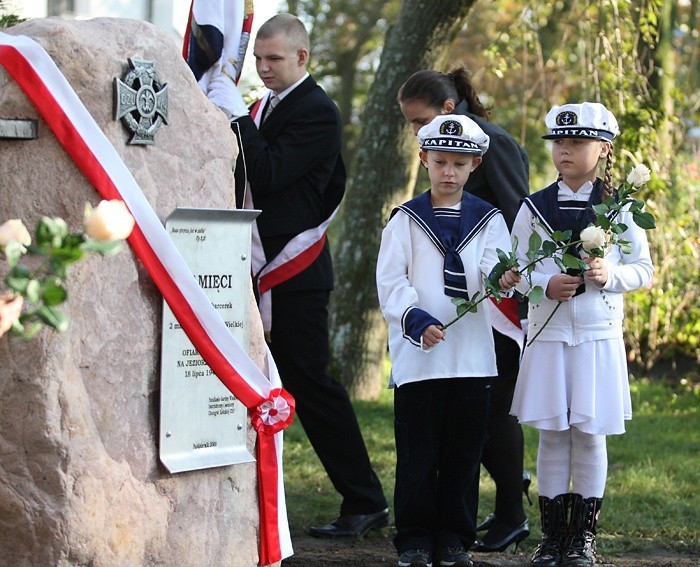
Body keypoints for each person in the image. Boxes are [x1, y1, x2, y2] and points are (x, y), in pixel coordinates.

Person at [206, 13, 389, 537]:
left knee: (310, 386)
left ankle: (364, 499)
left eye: (274, 59)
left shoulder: (317, 112)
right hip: (254, 264)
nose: (261, 68)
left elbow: (267, 175)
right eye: (258, 59)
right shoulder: (266, 106)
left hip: (295, 272)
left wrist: (237, 119)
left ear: (302, 58)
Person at [509, 102, 654, 567]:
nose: (565, 151)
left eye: (577, 142)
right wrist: (542, 283)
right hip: (548, 333)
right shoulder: (534, 206)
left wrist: (610, 273)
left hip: (596, 333)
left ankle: (582, 540)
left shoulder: (622, 209)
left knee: (589, 433)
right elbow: (515, 267)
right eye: (559, 143)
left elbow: (643, 270)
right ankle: (552, 539)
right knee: (553, 432)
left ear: (604, 149)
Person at [376, 113, 522, 567]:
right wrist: (413, 316)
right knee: (418, 452)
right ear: (423, 159)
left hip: (471, 355)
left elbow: (497, 270)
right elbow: (390, 279)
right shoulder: (404, 219)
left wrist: (506, 278)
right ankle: (415, 539)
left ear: (476, 164)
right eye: (440, 161)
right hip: (420, 356)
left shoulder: (490, 220)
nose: (449, 172)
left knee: (463, 452)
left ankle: (455, 538)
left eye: (460, 163)